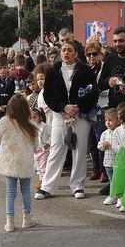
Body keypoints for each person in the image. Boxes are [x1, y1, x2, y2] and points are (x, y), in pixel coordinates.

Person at [37, 39, 98, 200]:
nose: (66, 53)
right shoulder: (53, 71)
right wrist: (64, 107)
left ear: (76, 53)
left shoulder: (85, 71)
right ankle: (47, 186)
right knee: (57, 149)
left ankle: (77, 185)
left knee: (79, 151)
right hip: (60, 115)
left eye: (70, 50)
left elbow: (93, 93)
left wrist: (77, 107)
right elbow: (48, 95)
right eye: (64, 50)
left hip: (80, 115)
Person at [0, 93, 39, 232]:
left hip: (9, 162)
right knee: (26, 191)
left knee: (10, 192)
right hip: (24, 162)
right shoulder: (30, 123)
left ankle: (10, 222)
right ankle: (27, 218)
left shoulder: (5, 121)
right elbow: (36, 145)